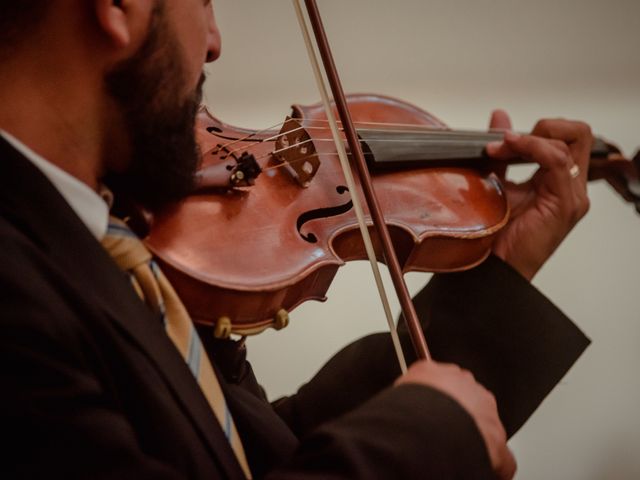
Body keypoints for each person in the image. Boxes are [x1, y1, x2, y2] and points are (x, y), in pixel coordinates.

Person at [0, 1, 590, 478]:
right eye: (204, 3)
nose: (213, 42)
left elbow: (264, 453)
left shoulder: (104, 249)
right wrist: (421, 442)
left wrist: (506, 264)